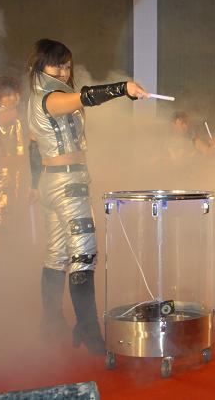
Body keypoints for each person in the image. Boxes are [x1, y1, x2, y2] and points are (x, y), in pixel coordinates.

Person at [27, 39, 149, 354]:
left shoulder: (39, 98)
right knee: (83, 256)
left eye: (67, 66)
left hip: (55, 182)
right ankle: (88, 330)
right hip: (68, 185)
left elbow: (33, 145)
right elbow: (85, 97)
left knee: (56, 255)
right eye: (57, 65)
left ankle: (52, 322)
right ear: (41, 66)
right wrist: (123, 88)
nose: (63, 71)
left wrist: (35, 183)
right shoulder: (49, 97)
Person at [0, 76, 26, 254]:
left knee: (15, 211)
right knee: (3, 211)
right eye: (7, 95)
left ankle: (10, 251)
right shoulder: (2, 114)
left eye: (15, 94)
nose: (13, 98)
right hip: (6, 173)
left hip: (17, 171)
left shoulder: (14, 113)